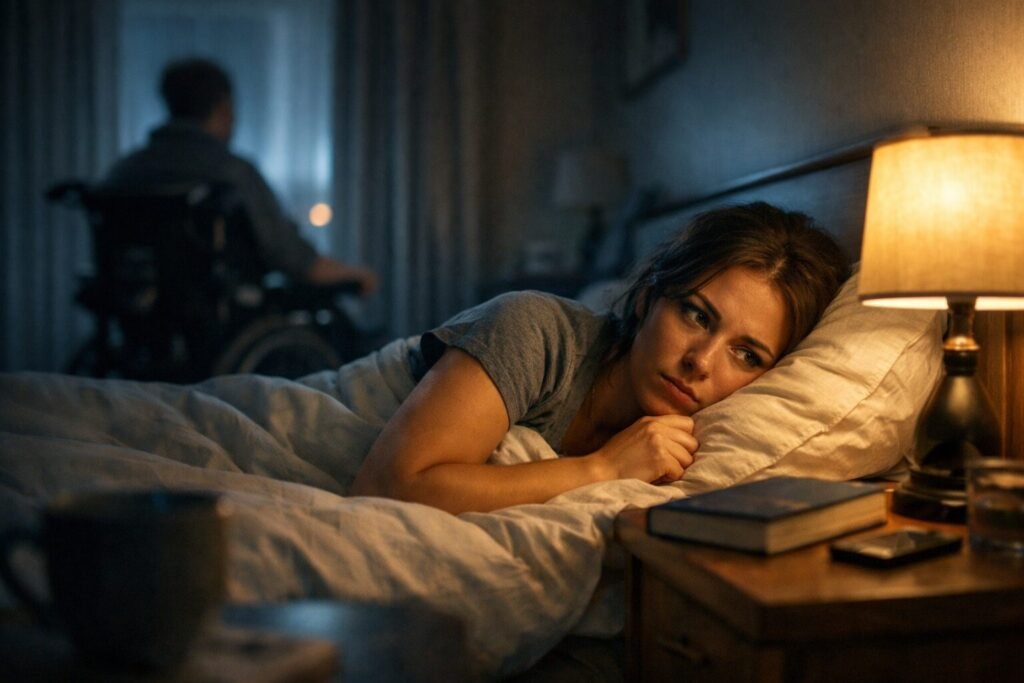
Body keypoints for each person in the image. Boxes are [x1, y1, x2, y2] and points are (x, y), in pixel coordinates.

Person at [352, 202, 851, 514]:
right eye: (697, 316)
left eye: (745, 354)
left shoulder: (706, 451)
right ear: (645, 299)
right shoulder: (535, 332)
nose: (701, 361)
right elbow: (388, 486)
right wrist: (602, 470)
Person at [105, 57, 377, 292]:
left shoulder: (123, 172)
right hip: (218, 312)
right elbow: (290, 257)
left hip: (142, 313)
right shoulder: (231, 173)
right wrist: (353, 274)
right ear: (223, 107)